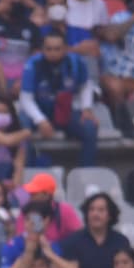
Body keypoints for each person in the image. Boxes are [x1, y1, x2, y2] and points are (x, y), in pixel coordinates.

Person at [19, 32, 99, 167]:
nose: (53, 53)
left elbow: (86, 86)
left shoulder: (77, 62)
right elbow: (25, 99)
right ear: (42, 49)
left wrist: (86, 108)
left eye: (57, 49)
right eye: (48, 49)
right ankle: (26, 169)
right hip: (39, 109)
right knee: (22, 123)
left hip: (65, 110)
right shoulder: (33, 64)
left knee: (90, 127)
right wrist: (41, 120)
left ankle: (86, 172)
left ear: (66, 49)